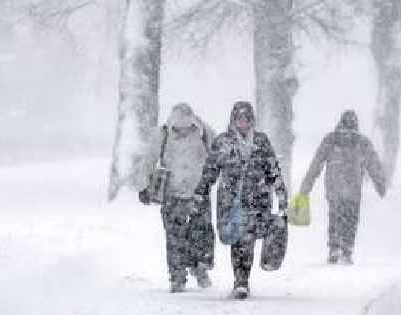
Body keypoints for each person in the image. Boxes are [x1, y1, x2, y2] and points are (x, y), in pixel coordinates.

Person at [194, 101, 288, 299]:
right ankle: (241, 281)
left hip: (258, 198)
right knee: (238, 240)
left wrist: (281, 194)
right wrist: (201, 191)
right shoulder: (222, 142)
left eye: (246, 119)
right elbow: (210, 169)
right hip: (231, 200)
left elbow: (273, 169)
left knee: (249, 239)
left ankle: (242, 280)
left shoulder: (261, 141)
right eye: (239, 119)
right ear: (233, 120)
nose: (242, 123)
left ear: (251, 120)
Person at [138, 103, 215, 293]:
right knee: (174, 237)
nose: (182, 131)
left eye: (186, 128)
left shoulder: (204, 132)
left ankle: (200, 266)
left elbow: (218, 154)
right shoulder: (162, 134)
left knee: (202, 234)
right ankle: (177, 276)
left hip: (198, 192)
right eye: (178, 129)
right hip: (172, 194)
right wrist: (144, 186)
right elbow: (148, 159)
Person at [297, 109, 386, 265]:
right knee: (351, 218)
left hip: (334, 187)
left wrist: (307, 185)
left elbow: (316, 163)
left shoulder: (331, 139)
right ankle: (346, 248)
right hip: (353, 188)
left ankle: (334, 247)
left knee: (335, 216)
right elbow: (374, 164)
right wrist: (380, 183)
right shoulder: (361, 141)